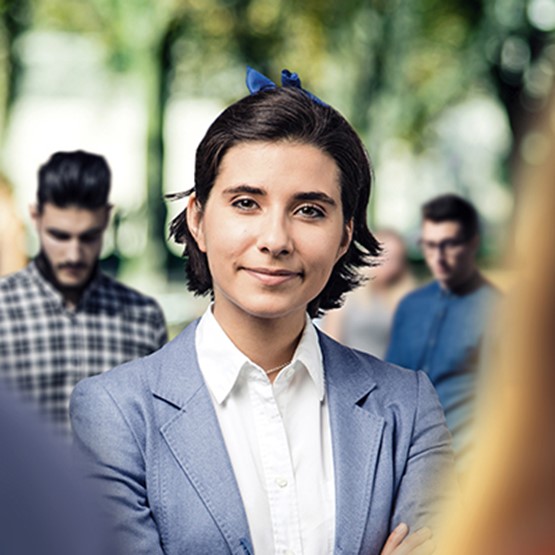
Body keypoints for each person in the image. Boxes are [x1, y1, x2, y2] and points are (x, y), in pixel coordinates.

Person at [70, 68, 453, 555]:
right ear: (199, 219)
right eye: (247, 202)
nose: (275, 240)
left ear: (344, 235)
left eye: (309, 209)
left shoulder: (408, 407)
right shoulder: (116, 413)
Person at [0, 150, 167, 432]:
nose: (74, 254)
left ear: (105, 221)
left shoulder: (142, 318)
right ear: (36, 219)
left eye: (88, 236)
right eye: (60, 236)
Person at [385, 194, 499, 463]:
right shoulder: (410, 306)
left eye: (449, 245)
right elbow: (389, 384)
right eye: (430, 245)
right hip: (403, 463)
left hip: (463, 467)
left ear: (473, 244)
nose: (439, 257)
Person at [321, 229, 416, 357]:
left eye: (396, 259)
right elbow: (331, 341)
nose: (391, 265)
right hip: (350, 371)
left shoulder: (405, 297)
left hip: (390, 372)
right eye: (386, 257)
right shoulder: (344, 294)